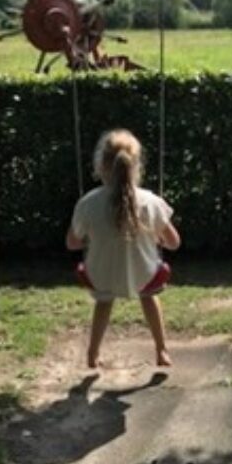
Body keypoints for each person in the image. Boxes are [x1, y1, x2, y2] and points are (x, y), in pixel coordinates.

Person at [66, 129, 181, 368]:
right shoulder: (150, 201)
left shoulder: (88, 203)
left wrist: (89, 240)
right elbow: (174, 243)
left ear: (101, 165)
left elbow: (72, 243)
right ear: (136, 166)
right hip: (145, 276)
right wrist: (157, 239)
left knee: (104, 301)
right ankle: (161, 350)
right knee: (149, 296)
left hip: (101, 276)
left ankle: (92, 353)